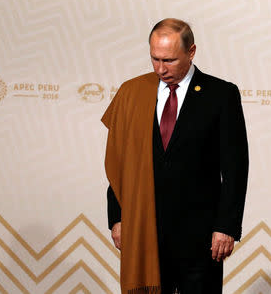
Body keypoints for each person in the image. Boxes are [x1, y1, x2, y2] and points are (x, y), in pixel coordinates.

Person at [102, 18, 248, 294]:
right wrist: (117, 216)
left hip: (201, 235)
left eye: (168, 60)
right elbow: (120, 163)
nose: (160, 68)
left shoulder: (221, 95)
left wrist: (226, 226)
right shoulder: (132, 93)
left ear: (191, 52)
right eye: (154, 59)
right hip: (145, 229)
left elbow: (235, 167)